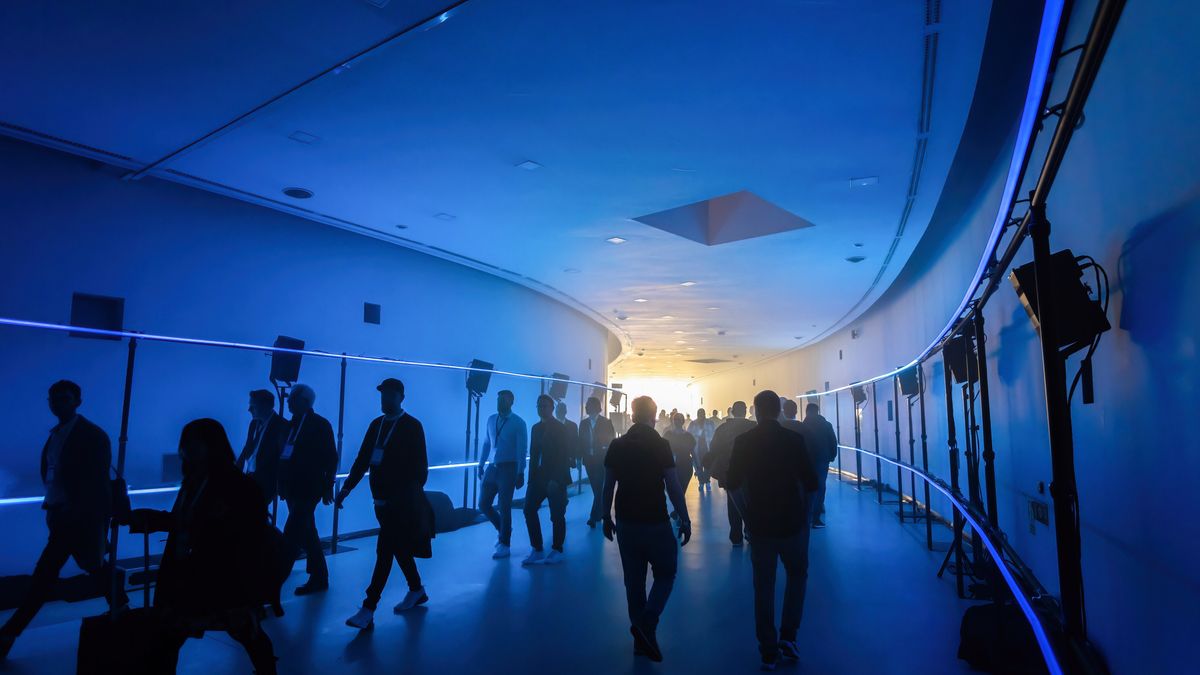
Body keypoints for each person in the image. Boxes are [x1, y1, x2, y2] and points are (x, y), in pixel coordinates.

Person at [129, 418, 278, 674]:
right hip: (196, 578)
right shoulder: (197, 482)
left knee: (243, 633)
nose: (186, 449)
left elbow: (245, 536)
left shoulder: (235, 486)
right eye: (185, 444)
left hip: (222, 579)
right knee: (241, 634)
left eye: (192, 443)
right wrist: (152, 519)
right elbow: (188, 521)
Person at [1, 380, 126, 660]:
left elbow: (95, 484)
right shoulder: (59, 435)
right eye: (54, 399)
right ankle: (122, 604)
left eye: (64, 398)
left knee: (43, 577)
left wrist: (87, 519)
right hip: (62, 517)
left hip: (76, 519)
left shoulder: (91, 436)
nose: (57, 403)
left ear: (77, 401)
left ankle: (9, 633)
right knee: (93, 567)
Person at [726, 391, 819, 670]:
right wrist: (805, 516)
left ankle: (767, 649)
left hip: (761, 524)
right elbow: (811, 485)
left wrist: (746, 514)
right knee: (797, 576)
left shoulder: (744, 441)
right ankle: (788, 637)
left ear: (755, 411)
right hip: (792, 522)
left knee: (763, 586)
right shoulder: (793, 440)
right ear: (779, 410)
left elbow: (732, 484)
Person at [339, 378, 434, 629]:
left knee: (384, 551)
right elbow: (362, 460)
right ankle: (416, 589)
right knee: (399, 548)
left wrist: (406, 497)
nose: (385, 399)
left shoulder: (412, 426)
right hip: (380, 502)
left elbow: (420, 469)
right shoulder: (376, 425)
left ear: (401, 397)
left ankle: (369, 607)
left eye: (390, 395)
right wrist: (347, 487)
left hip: (399, 504)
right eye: (383, 395)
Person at [602, 396, 691, 663]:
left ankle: (640, 641)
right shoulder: (660, 444)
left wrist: (606, 516)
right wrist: (684, 518)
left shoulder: (617, 445)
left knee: (634, 580)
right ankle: (648, 622)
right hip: (655, 519)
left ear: (632, 415)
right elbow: (673, 485)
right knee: (666, 573)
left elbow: (608, 485)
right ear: (653, 416)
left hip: (627, 521)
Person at [277, 383, 337, 595]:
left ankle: (272, 583)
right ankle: (320, 576)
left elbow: (331, 458)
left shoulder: (320, 425)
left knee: (292, 534)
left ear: (303, 401)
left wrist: (329, 486)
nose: (288, 401)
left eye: (292, 398)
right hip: (293, 487)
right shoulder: (292, 424)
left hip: (309, 487)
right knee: (307, 531)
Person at [477, 390, 528, 559]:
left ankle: (505, 543)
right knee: (483, 504)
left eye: (504, 399)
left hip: (509, 467)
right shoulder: (491, 419)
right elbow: (486, 443)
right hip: (492, 467)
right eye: (499, 399)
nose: (500, 402)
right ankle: (503, 529)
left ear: (511, 402)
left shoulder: (518, 423)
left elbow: (522, 450)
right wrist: (481, 464)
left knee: (504, 506)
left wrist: (521, 472)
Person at [523, 394, 572, 565]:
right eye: (539, 406)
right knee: (529, 509)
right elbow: (534, 455)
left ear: (552, 408)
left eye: (544, 406)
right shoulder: (535, 428)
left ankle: (557, 549)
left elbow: (564, 455)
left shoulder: (560, 428)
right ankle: (537, 548)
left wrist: (556, 479)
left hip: (555, 478)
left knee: (557, 515)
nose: (541, 409)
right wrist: (530, 479)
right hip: (538, 478)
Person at [703, 401, 756, 546]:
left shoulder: (723, 428)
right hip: (750, 472)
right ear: (745, 411)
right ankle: (751, 532)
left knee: (733, 505)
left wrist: (709, 466)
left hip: (729, 472)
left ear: (732, 411)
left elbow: (714, 448)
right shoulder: (753, 427)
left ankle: (736, 536)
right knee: (751, 503)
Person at [237, 389, 287, 506]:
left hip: (267, 480)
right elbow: (248, 446)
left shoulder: (281, 426)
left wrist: (282, 482)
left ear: (265, 406)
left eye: (253, 406)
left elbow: (284, 456)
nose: (249, 410)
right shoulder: (254, 424)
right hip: (251, 476)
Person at [577, 396, 616, 528]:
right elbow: (580, 442)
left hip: (602, 460)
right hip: (589, 460)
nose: (587, 407)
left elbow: (612, 440)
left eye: (588, 405)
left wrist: (607, 451)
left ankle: (594, 517)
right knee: (597, 489)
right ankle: (601, 513)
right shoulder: (583, 423)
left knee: (598, 488)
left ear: (595, 407)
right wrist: (579, 458)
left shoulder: (606, 422)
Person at [800, 403, 839, 529]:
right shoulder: (826, 425)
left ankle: (807, 516)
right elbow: (833, 442)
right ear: (818, 411)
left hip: (806, 460)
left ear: (806, 412)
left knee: (807, 487)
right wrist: (831, 456)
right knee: (820, 487)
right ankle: (816, 518)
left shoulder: (802, 426)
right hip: (822, 459)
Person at [662, 413, 696, 511]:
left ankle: (677, 512)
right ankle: (678, 511)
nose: (677, 421)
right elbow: (662, 451)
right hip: (670, 465)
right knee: (673, 490)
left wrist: (697, 468)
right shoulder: (668, 435)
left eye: (679, 419)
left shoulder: (688, 436)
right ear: (673, 421)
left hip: (685, 466)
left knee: (681, 491)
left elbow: (693, 452)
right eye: (676, 419)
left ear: (682, 421)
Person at [686, 408, 714, 489]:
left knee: (708, 466)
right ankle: (701, 482)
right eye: (700, 414)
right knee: (698, 466)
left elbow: (714, 434)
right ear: (698, 415)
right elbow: (688, 436)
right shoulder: (693, 424)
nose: (701, 416)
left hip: (707, 448)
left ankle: (707, 481)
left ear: (704, 414)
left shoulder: (710, 423)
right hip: (696, 448)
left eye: (702, 414)